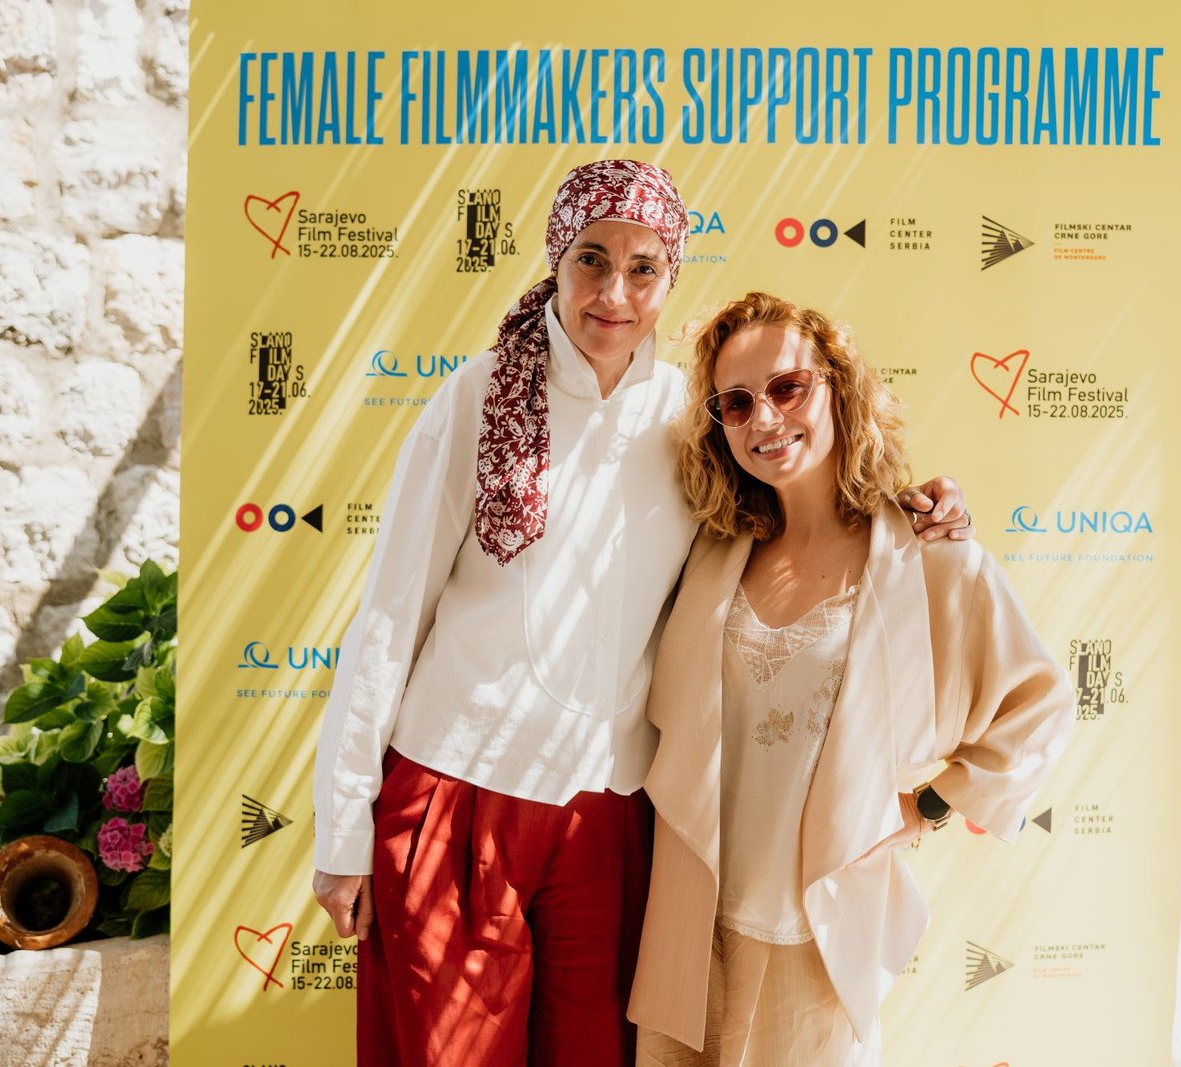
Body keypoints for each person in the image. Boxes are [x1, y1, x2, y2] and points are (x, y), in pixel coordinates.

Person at [310, 163, 971, 1067]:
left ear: (671, 277)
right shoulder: (477, 396)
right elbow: (388, 617)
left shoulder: (691, 419)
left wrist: (916, 511)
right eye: (592, 259)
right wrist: (342, 829)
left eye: (644, 267)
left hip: (608, 822)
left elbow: (800, 500)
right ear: (556, 258)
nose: (614, 293)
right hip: (459, 794)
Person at [628, 292, 1076, 1066]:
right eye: (737, 402)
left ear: (837, 385)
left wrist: (924, 807)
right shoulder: (713, 550)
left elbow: (1039, 707)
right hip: (692, 931)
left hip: (816, 939)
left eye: (787, 387)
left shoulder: (925, 552)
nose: (765, 418)